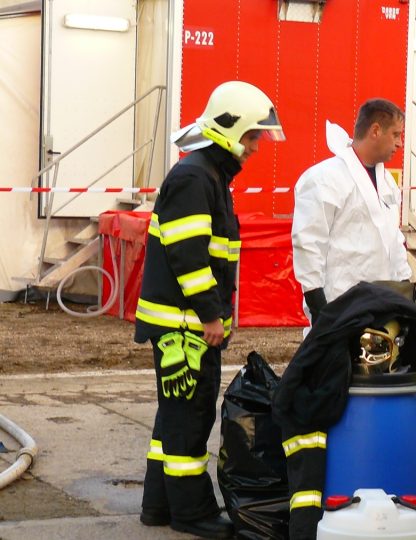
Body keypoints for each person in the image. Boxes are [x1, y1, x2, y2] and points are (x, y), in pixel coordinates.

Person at [135, 80, 285, 538]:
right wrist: (211, 317)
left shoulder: (207, 175)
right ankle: (191, 512)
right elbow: (189, 258)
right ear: (229, 131)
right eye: (252, 136)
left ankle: (160, 506)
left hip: (184, 325)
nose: (257, 145)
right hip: (185, 329)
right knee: (190, 419)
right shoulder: (195, 178)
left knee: (173, 419)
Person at [291, 98, 412, 326]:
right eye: (396, 134)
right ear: (375, 130)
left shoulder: (386, 182)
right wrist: (317, 302)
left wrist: (405, 287)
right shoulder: (324, 179)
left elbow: (394, 239)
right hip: (339, 303)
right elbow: (309, 242)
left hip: (381, 304)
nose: (400, 143)